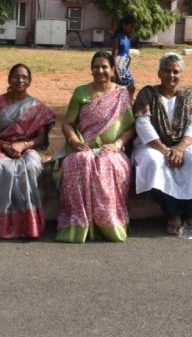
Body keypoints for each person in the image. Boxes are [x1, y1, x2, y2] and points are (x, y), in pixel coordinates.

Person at [56, 51, 135, 243]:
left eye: (104, 67)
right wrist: (74, 141)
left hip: (112, 149)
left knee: (108, 164)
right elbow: (67, 123)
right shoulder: (81, 92)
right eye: (96, 67)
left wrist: (117, 144)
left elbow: (132, 127)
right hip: (84, 148)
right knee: (79, 161)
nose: (100, 70)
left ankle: (109, 224)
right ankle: (78, 225)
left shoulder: (122, 94)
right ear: (91, 70)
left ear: (113, 70)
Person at [0, 64, 56, 240]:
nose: (20, 80)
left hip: (27, 148)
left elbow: (40, 139)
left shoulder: (36, 106)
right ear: (9, 79)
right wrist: (3, 145)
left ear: (30, 81)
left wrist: (23, 145)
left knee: (30, 166)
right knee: (1, 168)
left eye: (25, 77)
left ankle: (28, 225)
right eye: (16, 76)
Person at [133, 53, 192, 235]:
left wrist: (180, 148)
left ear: (181, 74)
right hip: (152, 144)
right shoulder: (147, 94)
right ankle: (173, 213)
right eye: (167, 71)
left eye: (176, 71)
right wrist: (165, 150)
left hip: (183, 143)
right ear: (159, 73)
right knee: (153, 162)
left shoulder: (188, 95)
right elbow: (142, 123)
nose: (171, 75)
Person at [111, 14, 137, 98]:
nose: (132, 30)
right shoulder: (118, 38)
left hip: (125, 68)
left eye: (134, 27)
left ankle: (128, 102)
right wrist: (116, 72)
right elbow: (113, 56)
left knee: (131, 86)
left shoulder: (127, 39)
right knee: (120, 89)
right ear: (124, 25)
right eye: (131, 27)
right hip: (119, 68)